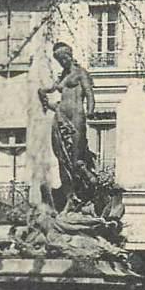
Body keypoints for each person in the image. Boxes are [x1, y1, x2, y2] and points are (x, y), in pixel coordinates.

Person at [37, 41, 98, 211]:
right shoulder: (61, 78)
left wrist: (91, 110)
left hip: (77, 116)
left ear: (69, 55)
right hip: (60, 116)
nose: (62, 61)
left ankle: (87, 185)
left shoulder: (81, 73)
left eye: (63, 57)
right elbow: (51, 97)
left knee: (76, 158)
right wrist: (43, 99)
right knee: (62, 159)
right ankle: (70, 198)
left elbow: (89, 93)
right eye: (58, 59)